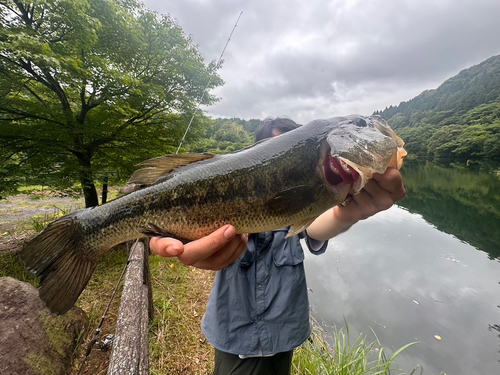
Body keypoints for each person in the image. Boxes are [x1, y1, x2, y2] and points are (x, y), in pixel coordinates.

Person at [150, 118, 406, 375]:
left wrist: (348, 213)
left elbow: (318, 225)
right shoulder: (232, 199)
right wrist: (176, 238)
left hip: (285, 335)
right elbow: (189, 227)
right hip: (235, 334)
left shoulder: (298, 211)